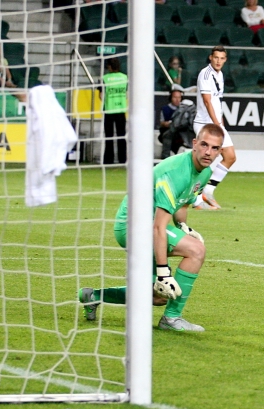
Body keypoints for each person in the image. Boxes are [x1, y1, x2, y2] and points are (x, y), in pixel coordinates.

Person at [78, 124, 225, 332]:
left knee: (158, 295)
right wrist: (164, 272)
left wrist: (183, 227)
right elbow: (158, 227)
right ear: (194, 144)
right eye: (204, 145)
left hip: (146, 223)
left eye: (215, 148)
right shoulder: (176, 172)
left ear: (220, 152)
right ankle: (172, 319)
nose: (208, 152)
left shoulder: (204, 172)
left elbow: (182, 203)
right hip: (133, 224)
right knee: (196, 251)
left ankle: (92, 296)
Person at [191, 46, 236, 211]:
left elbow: (217, 102)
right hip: (205, 123)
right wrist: (217, 123)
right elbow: (207, 101)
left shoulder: (220, 74)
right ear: (211, 58)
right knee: (202, 162)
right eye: (216, 57)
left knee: (230, 156)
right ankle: (195, 200)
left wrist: (220, 120)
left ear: (225, 60)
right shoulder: (205, 74)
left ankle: (208, 191)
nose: (218, 61)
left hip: (217, 122)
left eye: (222, 58)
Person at [101, 57, 128, 164]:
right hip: (121, 109)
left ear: (109, 67)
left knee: (109, 137)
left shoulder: (105, 78)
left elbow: (101, 95)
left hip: (109, 109)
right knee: (122, 136)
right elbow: (126, 92)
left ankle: (109, 160)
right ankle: (123, 159)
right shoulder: (125, 77)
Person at [158, 89, 182, 158]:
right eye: (175, 97)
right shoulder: (165, 109)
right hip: (168, 131)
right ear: (171, 98)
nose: (177, 100)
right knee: (167, 135)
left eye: (179, 97)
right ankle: (165, 158)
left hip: (181, 132)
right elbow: (162, 123)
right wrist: (170, 124)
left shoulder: (184, 108)